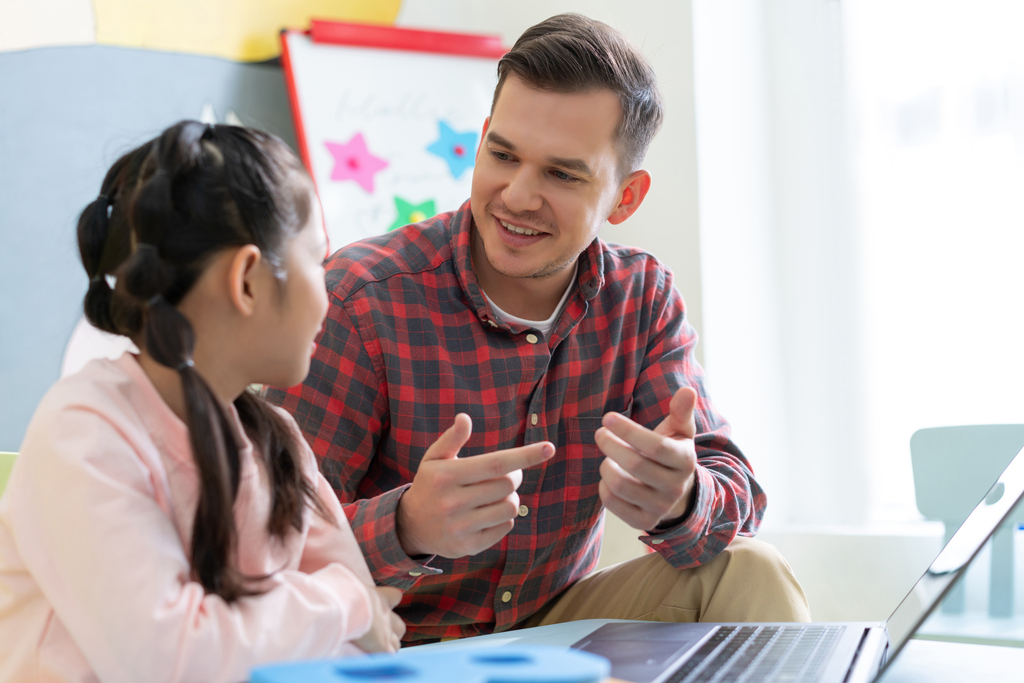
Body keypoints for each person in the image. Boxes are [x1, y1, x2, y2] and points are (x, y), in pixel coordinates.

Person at [267, 13, 809, 644]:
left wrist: (686, 497)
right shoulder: (359, 299)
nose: (518, 196)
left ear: (625, 198)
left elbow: (738, 496)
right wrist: (408, 524)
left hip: (553, 633)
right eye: (503, 155)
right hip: (387, 643)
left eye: (562, 173)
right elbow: (271, 547)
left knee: (751, 572)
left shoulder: (642, 300)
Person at [0, 121, 405, 683]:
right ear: (246, 280)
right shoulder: (84, 432)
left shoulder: (275, 438)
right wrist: (342, 603)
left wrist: (336, 610)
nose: (330, 290)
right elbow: (175, 660)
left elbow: (370, 646)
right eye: (319, 259)